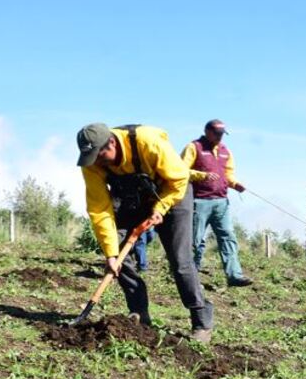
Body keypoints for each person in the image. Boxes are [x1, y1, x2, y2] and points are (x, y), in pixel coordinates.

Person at [78, 123, 214, 341]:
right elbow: (99, 208)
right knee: (119, 251)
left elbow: (179, 180)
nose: (97, 161)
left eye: (100, 154)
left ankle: (201, 320)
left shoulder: (147, 142)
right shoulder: (92, 162)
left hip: (172, 195)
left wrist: (160, 208)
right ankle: (139, 312)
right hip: (134, 199)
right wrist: (111, 254)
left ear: (111, 142)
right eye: (92, 156)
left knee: (180, 261)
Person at [182, 119, 253, 287]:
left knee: (228, 236)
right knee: (195, 240)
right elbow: (181, 170)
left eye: (222, 134)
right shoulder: (194, 147)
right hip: (199, 201)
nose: (220, 137)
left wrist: (236, 184)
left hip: (221, 202)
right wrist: (202, 175)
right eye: (217, 134)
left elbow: (228, 174)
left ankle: (234, 275)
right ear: (207, 131)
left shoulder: (225, 151)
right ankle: (191, 276)